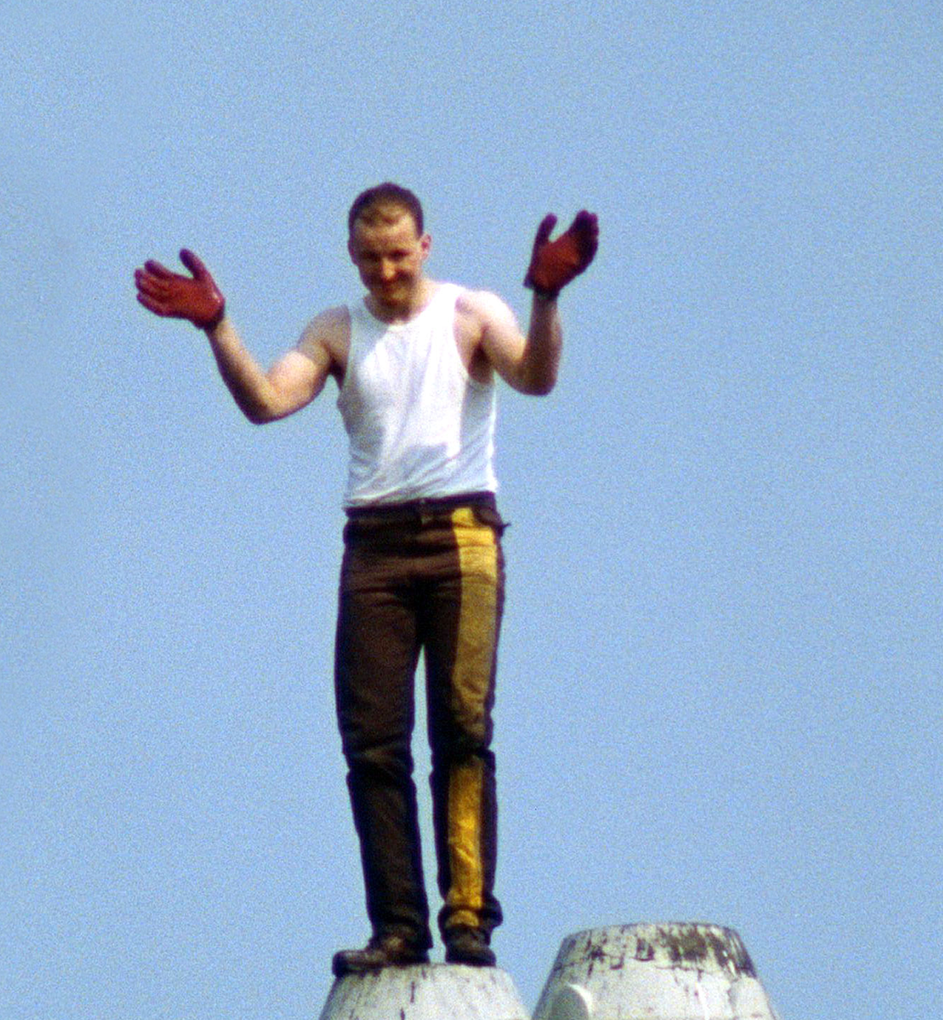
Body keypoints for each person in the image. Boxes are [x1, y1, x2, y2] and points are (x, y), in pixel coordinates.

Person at [135, 183, 598, 972]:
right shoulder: (336, 329)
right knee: (374, 747)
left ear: (425, 246)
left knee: (461, 734)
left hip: (461, 539)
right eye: (370, 258)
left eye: (398, 254)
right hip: (374, 550)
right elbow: (268, 401)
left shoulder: (471, 313)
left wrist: (545, 296)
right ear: (353, 257)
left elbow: (536, 376)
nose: (386, 271)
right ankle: (397, 930)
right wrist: (217, 327)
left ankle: (467, 923)